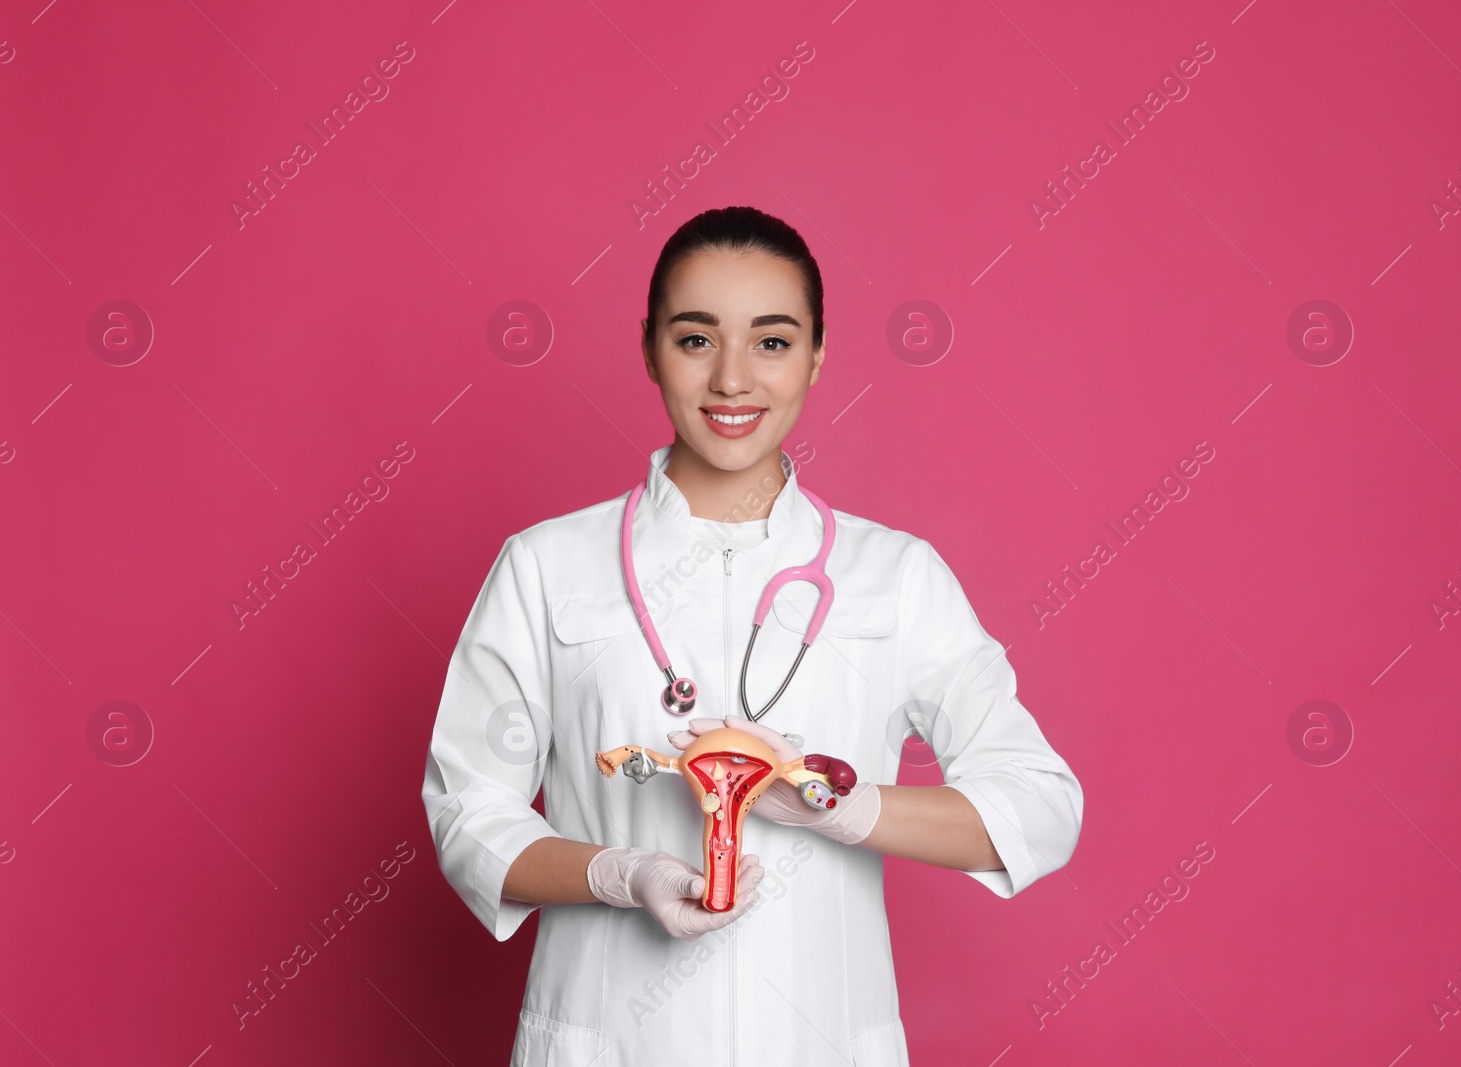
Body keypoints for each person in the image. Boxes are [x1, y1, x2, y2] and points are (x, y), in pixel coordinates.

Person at [421, 205, 1083, 1066]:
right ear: (650, 347)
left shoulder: (897, 577)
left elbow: (1040, 805)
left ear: (817, 353)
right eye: (696, 339)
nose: (733, 379)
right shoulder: (547, 566)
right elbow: (468, 811)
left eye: (771, 342)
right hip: (608, 1040)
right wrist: (621, 874)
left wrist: (845, 807)